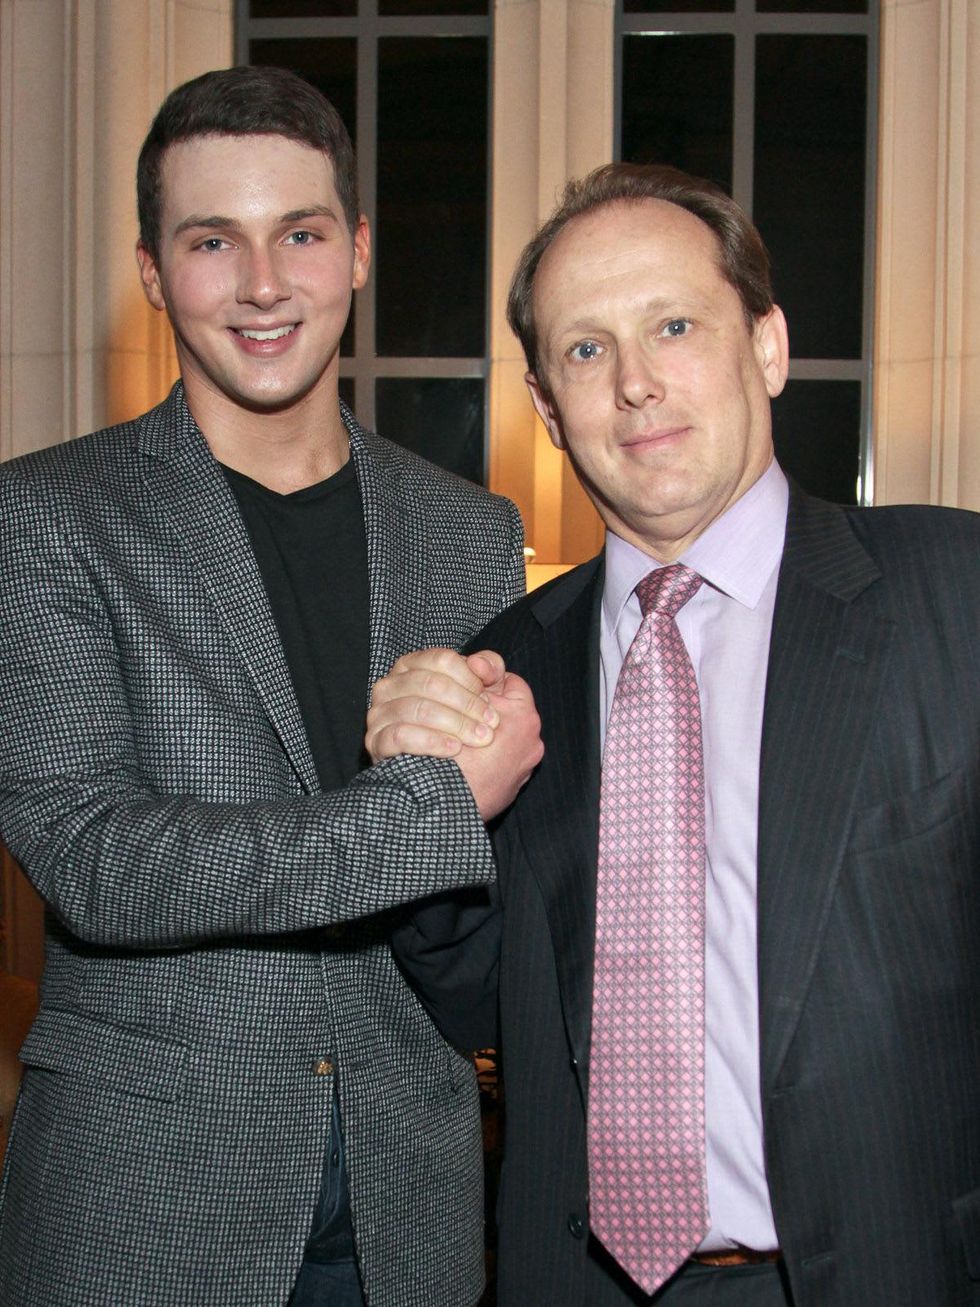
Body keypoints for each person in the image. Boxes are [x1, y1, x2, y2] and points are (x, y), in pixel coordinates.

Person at [369, 163, 980, 1306]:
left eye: (674, 324)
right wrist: (425, 802)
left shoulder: (952, 592)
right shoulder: (509, 662)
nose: (637, 384)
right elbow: (468, 996)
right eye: (586, 351)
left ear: (766, 347)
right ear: (548, 410)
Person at [0, 65, 542, 1307]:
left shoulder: (469, 530)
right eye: (211, 241)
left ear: (354, 251)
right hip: (144, 1197)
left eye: (298, 234)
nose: (260, 284)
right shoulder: (45, 516)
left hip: (413, 1196)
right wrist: (426, 808)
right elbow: (96, 857)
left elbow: (499, 876)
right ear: (151, 271)